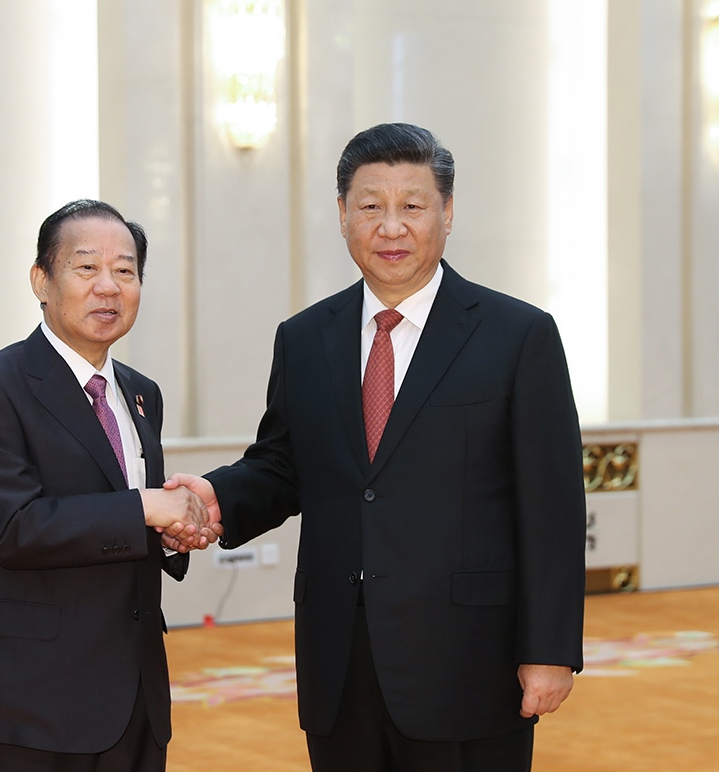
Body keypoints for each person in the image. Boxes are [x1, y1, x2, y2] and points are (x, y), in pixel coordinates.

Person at [167, 124, 587, 771]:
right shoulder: (305, 338)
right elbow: (283, 463)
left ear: (448, 212)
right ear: (342, 215)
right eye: (370, 206)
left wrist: (550, 649)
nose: (391, 227)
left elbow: (552, 507)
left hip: (469, 660)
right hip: (340, 660)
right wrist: (218, 496)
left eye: (412, 205)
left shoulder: (518, 336)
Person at [0, 199, 215, 772]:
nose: (109, 287)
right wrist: (145, 508)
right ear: (41, 281)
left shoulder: (142, 394)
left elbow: (126, 522)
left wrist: (171, 534)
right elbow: (15, 529)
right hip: (32, 702)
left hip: (136, 697)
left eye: (126, 271)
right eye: (87, 267)